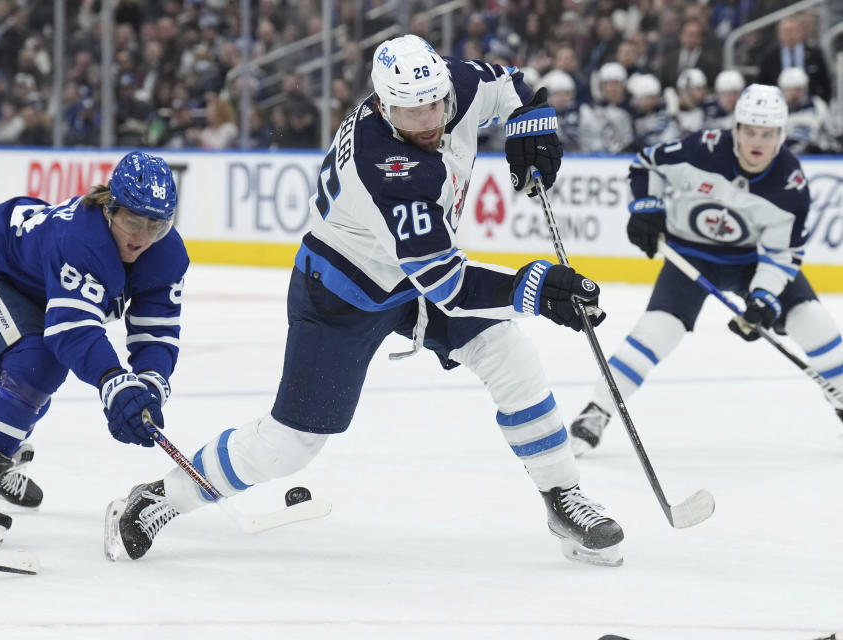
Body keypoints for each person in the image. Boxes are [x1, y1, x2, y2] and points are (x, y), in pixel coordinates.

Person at [105, 34, 625, 567]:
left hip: (411, 272)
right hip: (342, 292)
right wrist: (531, 288)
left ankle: (562, 497)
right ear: (381, 104)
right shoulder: (389, 169)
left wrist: (530, 121)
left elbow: (513, 84)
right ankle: (162, 497)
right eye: (408, 111)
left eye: (433, 105)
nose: (426, 121)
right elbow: (446, 285)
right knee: (291, 445)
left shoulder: (453, 84)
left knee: (506, 351)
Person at [569, 84, 843, 455]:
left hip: (751, 263)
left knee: (814, 322)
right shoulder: (703, 149)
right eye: (749, 131)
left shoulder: (790, 185)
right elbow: (648, 163)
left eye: (767, 134)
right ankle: (598, 410)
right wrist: (647, 207)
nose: (756, 143)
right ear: (736, 128)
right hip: (690, 256)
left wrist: (762, 301)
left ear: (781, 135)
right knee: (656, 332)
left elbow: (781, 256)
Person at [0, 151, 188, 547]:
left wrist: (151, 384)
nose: (142, 236)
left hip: (31, 285)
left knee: (41, 367)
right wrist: (115, 382)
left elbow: (157, 330)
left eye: (156, 224)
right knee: (36, 363)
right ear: (109, 208)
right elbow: (73, 332)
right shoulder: (81, 241)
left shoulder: (166, 253)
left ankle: (0, 454)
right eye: (132, 220)